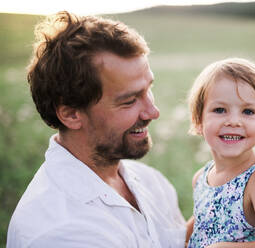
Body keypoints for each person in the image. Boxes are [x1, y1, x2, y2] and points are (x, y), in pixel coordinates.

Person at [7, 11, 186, 248]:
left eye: (147, 89)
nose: (153, 112)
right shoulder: (59, 231)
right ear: (71, 114)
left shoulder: (151, 182)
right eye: (129, 101)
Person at [185, 58, 255, 248]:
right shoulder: (201, 178)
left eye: (247, 112)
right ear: (199, 121)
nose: (234, 121)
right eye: (220, 109)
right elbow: (201, 224)